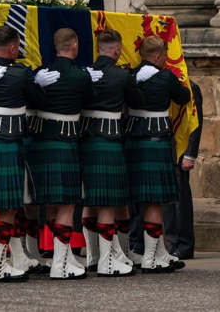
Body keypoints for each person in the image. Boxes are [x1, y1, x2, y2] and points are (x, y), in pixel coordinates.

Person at [0, 25, 52, 282]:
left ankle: (18, 257)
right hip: (8, 144)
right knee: (8, 207)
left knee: (9, 206)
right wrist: (38, 83)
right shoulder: (20, 74)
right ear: (14, 47)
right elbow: (39, 100)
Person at [26, 27, 97, 280]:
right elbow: (91, 102)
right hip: (65, 141)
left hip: (40, 141)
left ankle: (63, 257)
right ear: (75, 45)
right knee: (66, 202)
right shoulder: (80, 76)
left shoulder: (40, 73)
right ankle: (59, 264)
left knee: (53, 203)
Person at [79, 28, 144, 277]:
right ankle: (108, 260)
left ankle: (93, 257)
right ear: (117, 50)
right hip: (109, 138)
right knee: (108, 200)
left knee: (90, 198)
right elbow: (138, 103)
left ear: (98, 48)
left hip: (85, 138)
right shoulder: (121, 75)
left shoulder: (85, 73)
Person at [125, 35, 191, 274]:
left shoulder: (130, 76)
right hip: (157, 139)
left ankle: (159, 251)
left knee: (139, 197)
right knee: (154, 199)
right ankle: (151, 258)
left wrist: (133, 77)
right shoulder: (165, 77)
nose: (165, 60)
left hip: (133, 139)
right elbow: (183, 98)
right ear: (157, 56)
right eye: (163, 56)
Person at [163, 80, 203, 260]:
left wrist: (190, 154)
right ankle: (172, 242)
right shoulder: (163, 82)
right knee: (168, 201)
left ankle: (185, 244)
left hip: (181, 149)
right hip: (165, 148)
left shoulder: (190, 87)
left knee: (181, 200)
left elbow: (195, 122)